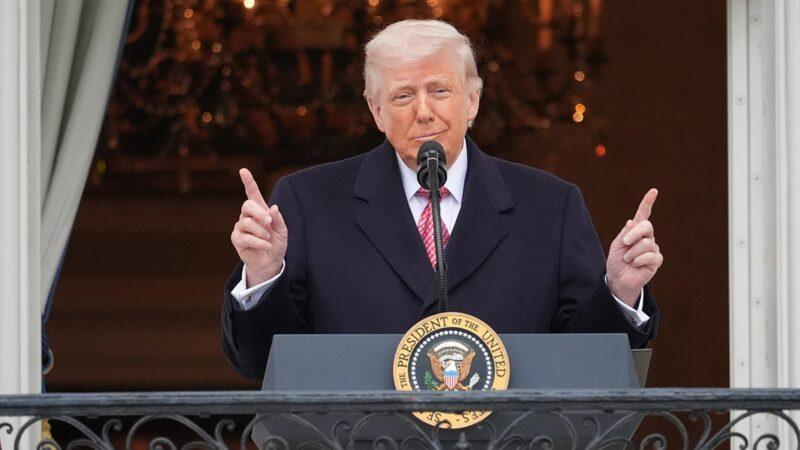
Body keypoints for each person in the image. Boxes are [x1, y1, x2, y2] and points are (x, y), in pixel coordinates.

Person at [222, 20, 662, 381]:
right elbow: (262, 365)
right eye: (402, 96)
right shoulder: (308, 201)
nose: (423, 111)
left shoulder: (551, 206)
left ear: (472, 101)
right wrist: (263, 276)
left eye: (439, 91)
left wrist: (621, 292)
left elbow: (589, 365)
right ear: (376, 111)